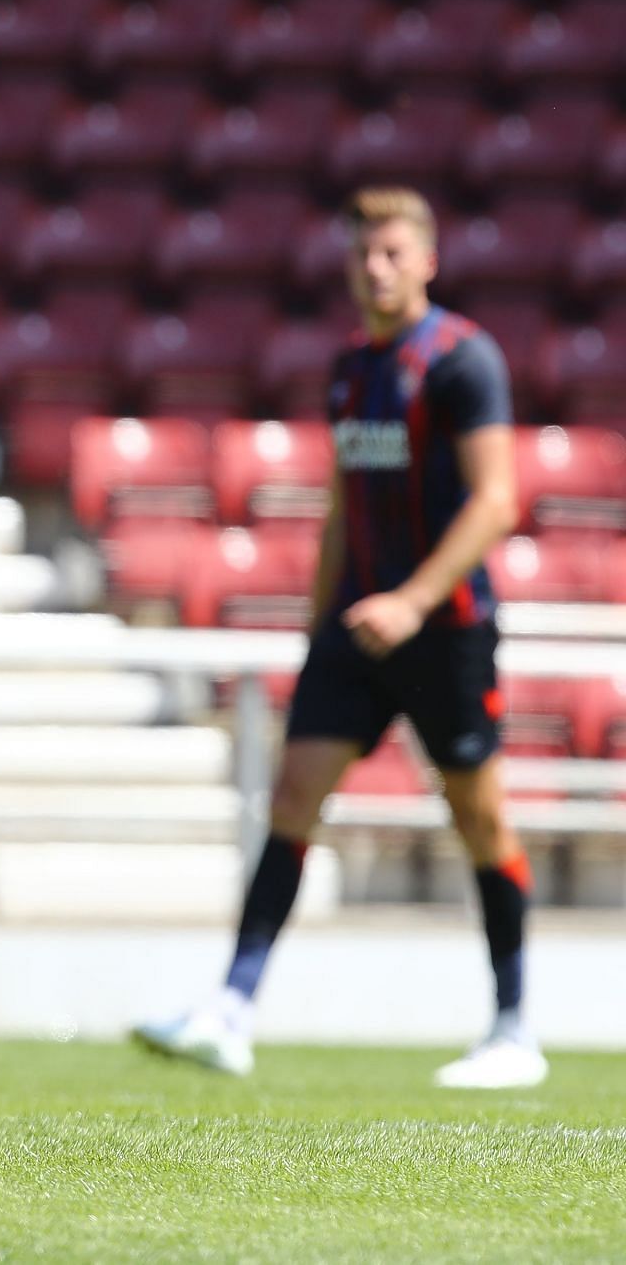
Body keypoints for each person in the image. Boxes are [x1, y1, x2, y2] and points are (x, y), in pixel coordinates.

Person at [135, 187, 542, 1089]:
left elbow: (496, 501)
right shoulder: (351, 366)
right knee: (292, 799)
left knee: (480, 818)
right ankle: (231, 1010)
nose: (377, 268)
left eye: (394, 252)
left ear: (428, 260)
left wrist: (412, 600)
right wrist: (324, 619)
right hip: (355, 629)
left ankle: (514, 1027)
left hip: (447, 629)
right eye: (365, 253)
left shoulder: (464, 360)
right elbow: (341, 507)